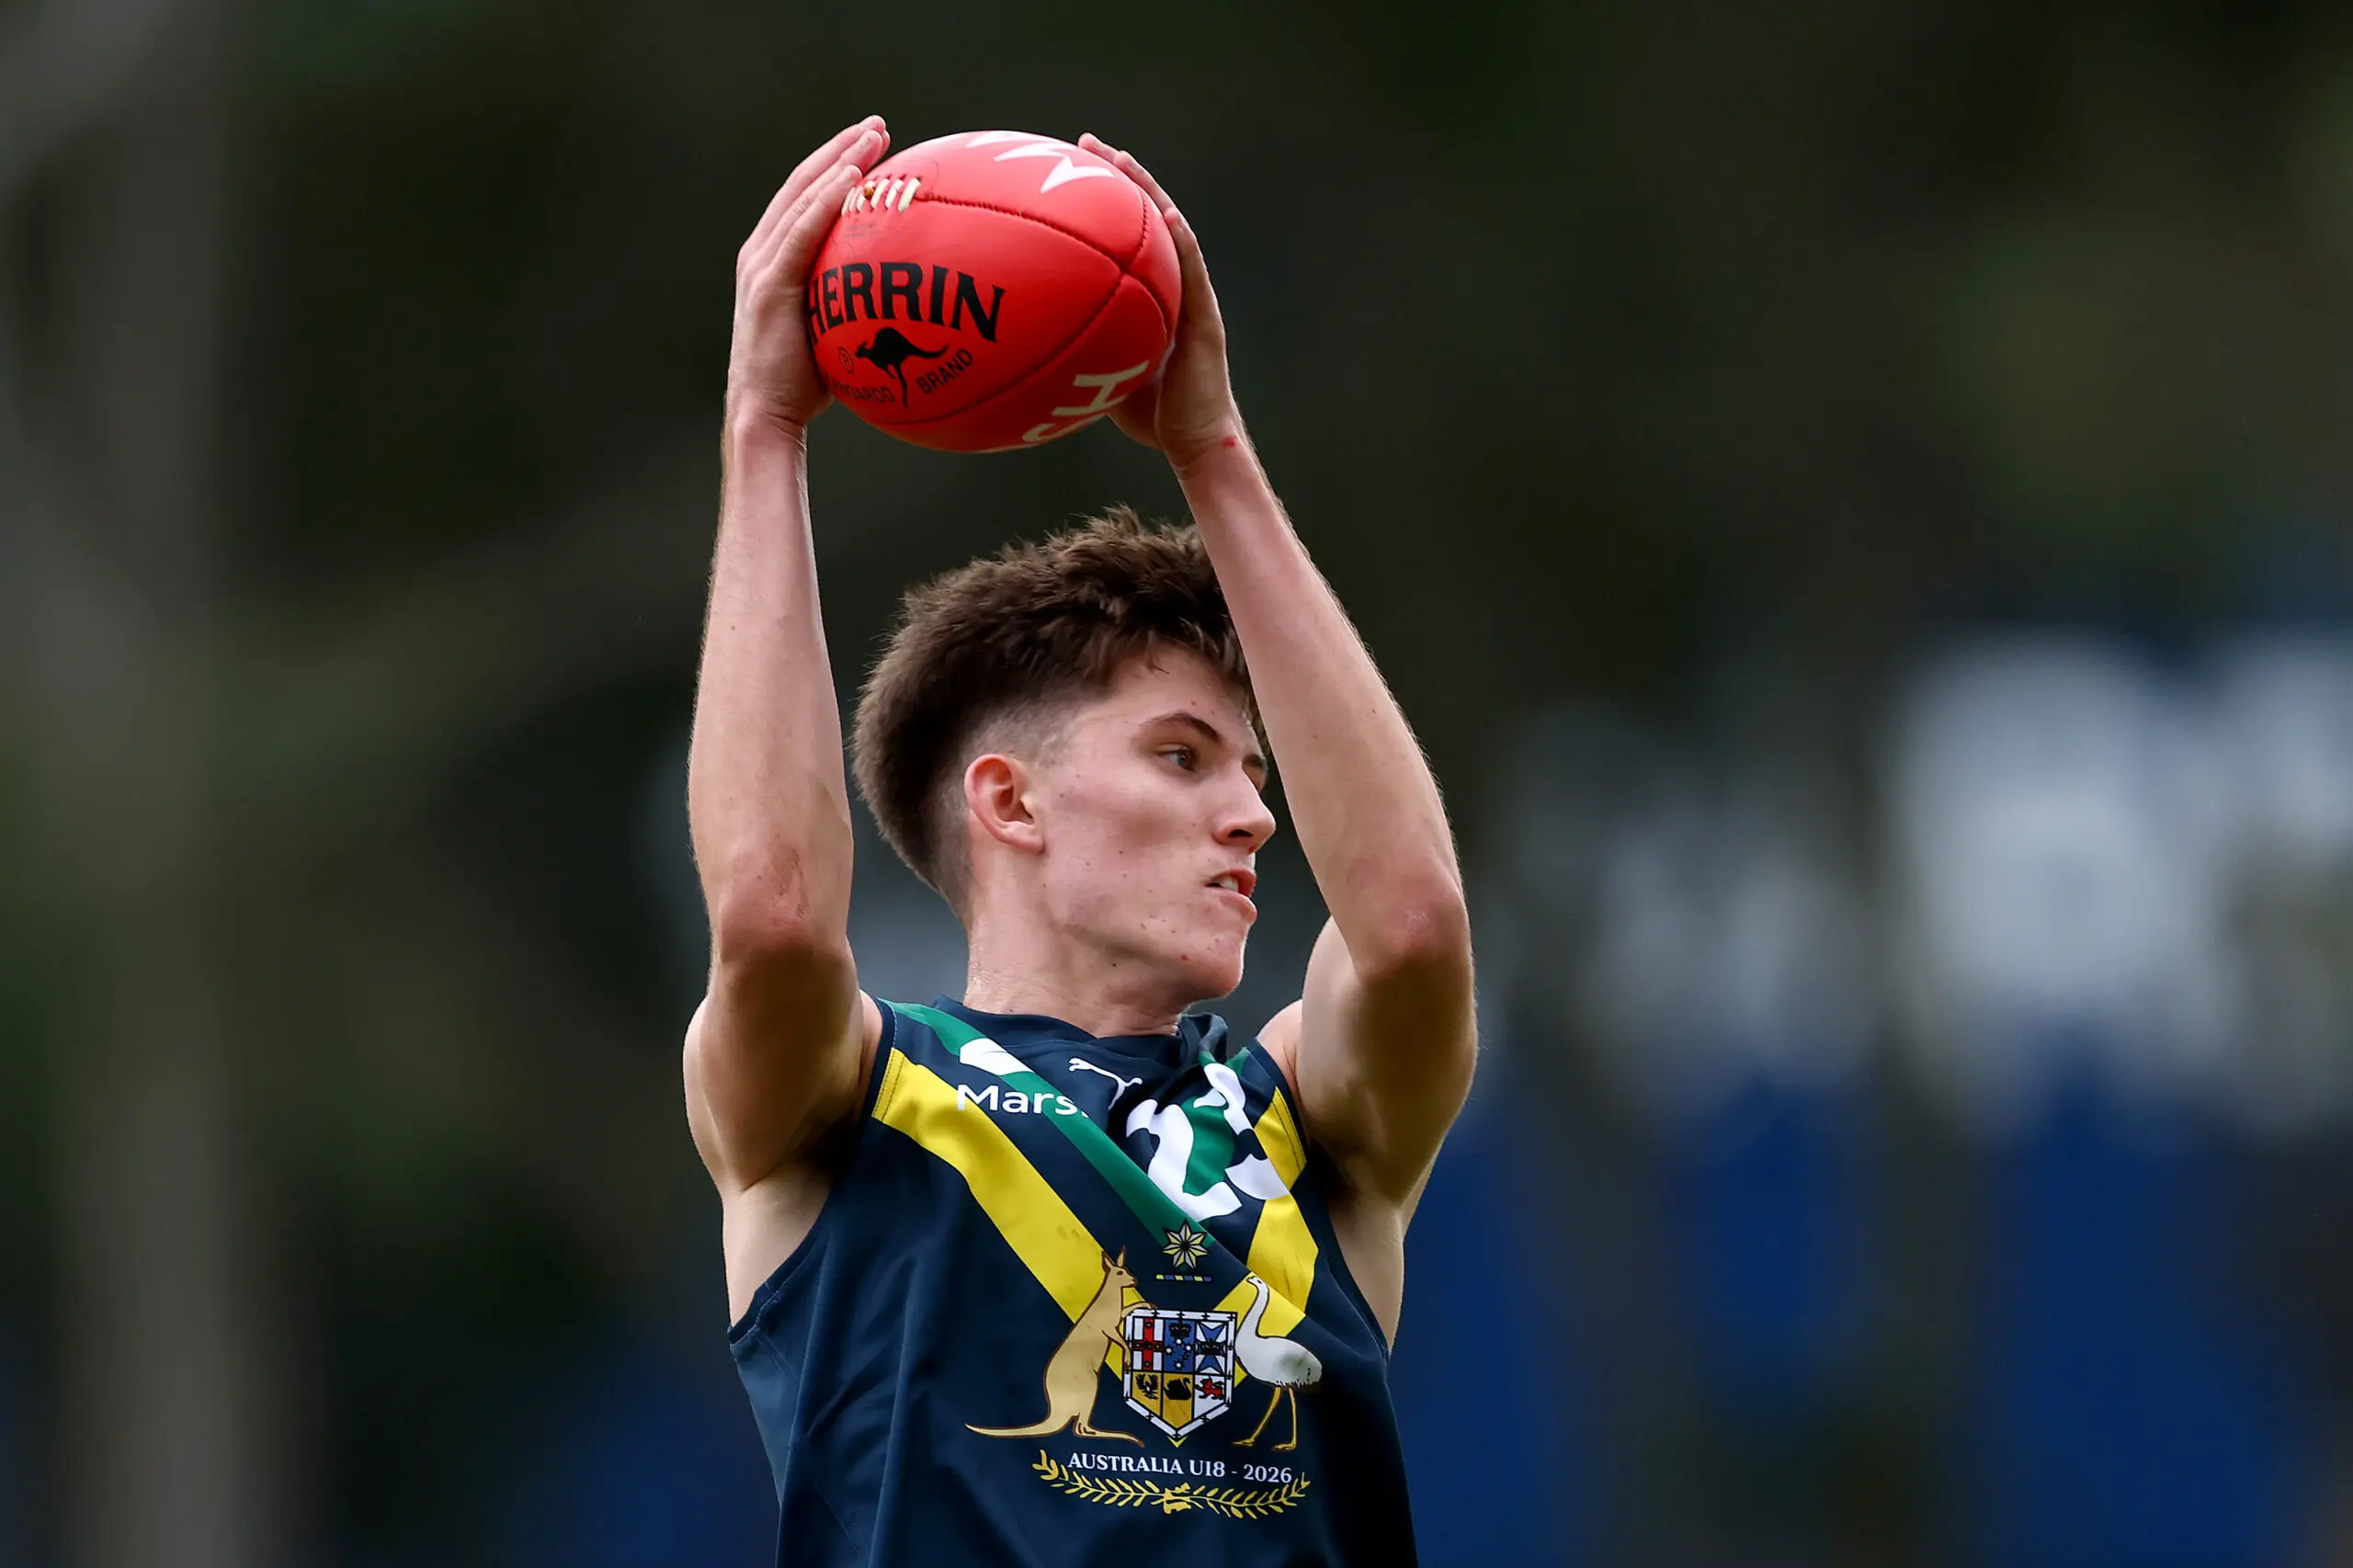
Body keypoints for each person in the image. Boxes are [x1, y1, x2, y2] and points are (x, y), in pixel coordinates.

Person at [688, 113, 1477, 1566]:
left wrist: (1213, 448)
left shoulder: (1308, 1125)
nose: (1252, 810)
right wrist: (765, 426)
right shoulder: (855, 1109)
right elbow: (775, 918)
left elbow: (1415, 930)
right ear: (1010, 802)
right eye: (1181, 758)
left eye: (1255, 769)